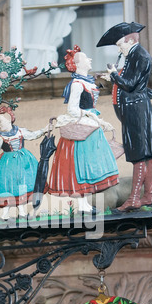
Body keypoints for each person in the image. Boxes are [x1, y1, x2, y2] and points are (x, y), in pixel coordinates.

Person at [97, 22, 152, 212]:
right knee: (148, 157)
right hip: (136, 110)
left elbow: (131, 84)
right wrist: (112, 77)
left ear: (130, 40)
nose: (119, 48)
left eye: (120, 45)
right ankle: (148, 196)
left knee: (139, 157)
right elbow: (135, 83)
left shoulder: (140, 56)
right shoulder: (133, 56)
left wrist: (114, 75)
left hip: (136, 112)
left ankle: (135, 198)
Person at [48, 45, 119, 214]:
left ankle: (85, 204)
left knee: (89, 166)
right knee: (80, 166)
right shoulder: (77, 84)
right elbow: (72, 109)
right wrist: (94, 118)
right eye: (86, 58)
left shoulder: (87, 81)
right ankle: (81, 206)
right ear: (78, 64)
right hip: (82, 129)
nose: (90, 60)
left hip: (91, 127)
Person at [0, 106, 48, 220]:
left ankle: (22, 212)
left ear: (8, 119)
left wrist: (44, 130)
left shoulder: (20, 131)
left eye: (0, 121)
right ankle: (4, 213)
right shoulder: (0, 137)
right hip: (7, 165)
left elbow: (33, 135)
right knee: (8, 188)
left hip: (24, 163)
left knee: (22, 186)